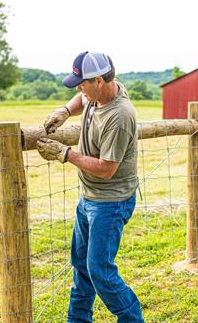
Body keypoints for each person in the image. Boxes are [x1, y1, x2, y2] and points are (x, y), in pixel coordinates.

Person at [36, 51, 144, 323]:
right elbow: (81, 99)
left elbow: (107, 169)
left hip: (110, 201)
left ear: (98, 80)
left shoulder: (119, 116)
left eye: (81, 82)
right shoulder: (100, 91)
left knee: (99, 271)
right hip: (89, 199)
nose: (78, 88)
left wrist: (65, 154)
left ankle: (132, 319)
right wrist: (65, 111)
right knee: (81, 266)